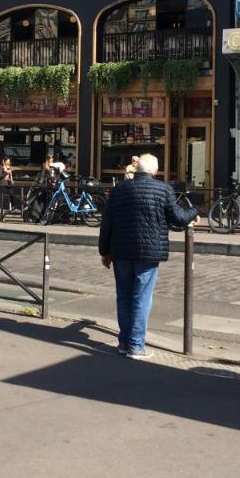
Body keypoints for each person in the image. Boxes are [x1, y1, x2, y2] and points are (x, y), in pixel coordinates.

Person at [98, 153, 197, 359]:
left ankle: (124, 342)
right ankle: (136, 345)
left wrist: (105, 251)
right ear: (155, 171)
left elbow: (106, 223)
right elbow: (178, 218)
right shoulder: (163, 189)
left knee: (124, 296)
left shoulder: (119, 190)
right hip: (149, 253)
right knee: (141, 298)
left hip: (121, 252)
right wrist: (194, 211)